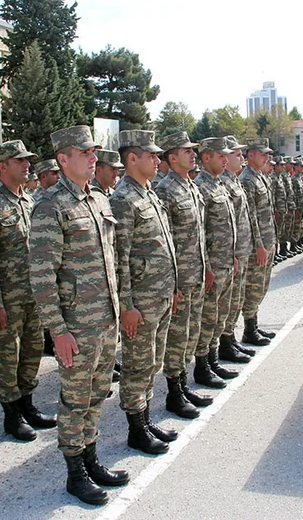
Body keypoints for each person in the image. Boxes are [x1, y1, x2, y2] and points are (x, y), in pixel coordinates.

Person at [30, 125, 129, 506]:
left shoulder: (99, 200)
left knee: (98, 393)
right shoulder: (50, 205)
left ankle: (91, 459)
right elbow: (41, 276)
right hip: (76, 326)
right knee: (74, 399)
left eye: (94, 152)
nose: (93, 158)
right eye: (85, 152)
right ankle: (75, 474)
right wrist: (58, 330)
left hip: (105, 320)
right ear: (63, 159)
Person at [0, 140, 56, 442]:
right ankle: (11, 415)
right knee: (9, 356)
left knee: (33, 351)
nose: (26, 165)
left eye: (27, 160)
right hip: (7, 299)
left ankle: (27, 405)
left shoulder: (28, 201)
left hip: (34, 295)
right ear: (2, 167)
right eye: (19, 161)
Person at [111, 129, 179, 455]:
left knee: (153, 361)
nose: (157, 159)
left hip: (161, 295)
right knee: (138, 365)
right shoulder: (123, 200)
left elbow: (165, 246)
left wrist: (174, 286)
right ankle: (136, 430)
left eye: (157, 154)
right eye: (150, 155)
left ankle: (147, 418)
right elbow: (119, 259)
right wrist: (127, 305)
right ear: (132, 158)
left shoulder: (149, 194)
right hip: (141, 301)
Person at [155, 131, 213, 419]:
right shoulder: (165, 190)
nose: (193, 154)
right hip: (180, 279)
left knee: (190, 334)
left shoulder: (190, 186)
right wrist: (173, 283)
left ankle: (183, 384)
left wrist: (207, 268)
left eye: (194, 150)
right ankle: (173, 393)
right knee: (177, 338)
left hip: (197, 274)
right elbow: (165, 241)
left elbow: (199, 235)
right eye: (186, 150)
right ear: (171, 157)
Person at [193, 137, 238, 388]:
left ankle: (212, 360)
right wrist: (207, 268)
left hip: (225, 262)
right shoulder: (201, 186)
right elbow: (200, 232)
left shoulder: (219, 184)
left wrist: (232, 257)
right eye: (220, 155)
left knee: (219, 316)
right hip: (212, 267)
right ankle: (202, 366)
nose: (225, 159)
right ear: (206, 157)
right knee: (208, 318)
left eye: (226, 156)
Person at [221, 136, 267, 353]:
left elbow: (249, 216)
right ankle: (226, 343)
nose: (241, 158)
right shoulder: (226, 182)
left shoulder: (236, 180)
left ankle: (233, 339)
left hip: (244, 248)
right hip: (234, 252)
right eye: (236, 154)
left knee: (238, 298)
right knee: (229, 302)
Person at [240, 138, 279, 341]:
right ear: (251, 155)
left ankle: (254, 323)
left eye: (267, 154)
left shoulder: (260, 177)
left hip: (268, 238)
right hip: (259, 243)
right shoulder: (247, 179)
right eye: (262, 154)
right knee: (254, 286)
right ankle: (249, 329)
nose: (266, 157)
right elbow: (251, 215)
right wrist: (259, 245)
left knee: (262, 285)